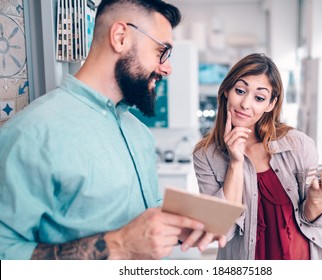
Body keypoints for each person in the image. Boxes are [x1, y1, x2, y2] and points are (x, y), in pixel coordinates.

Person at [0, 0, 225, 260]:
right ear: (120, 37)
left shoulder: (139, 134)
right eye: (161, 51)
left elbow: (144, 218)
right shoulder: (31, 135)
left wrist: (179, 225)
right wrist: (118, 245)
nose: (167, 68)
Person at [192, 53, 322, 260]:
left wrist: (317, 198)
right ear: (226, 91)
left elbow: (310, 218)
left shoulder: (298, 144)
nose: (245, 104)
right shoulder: (206, 155)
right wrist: (235, 162)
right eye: (240, 91)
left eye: (259, 98)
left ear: (270, 104)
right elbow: (219, 228)